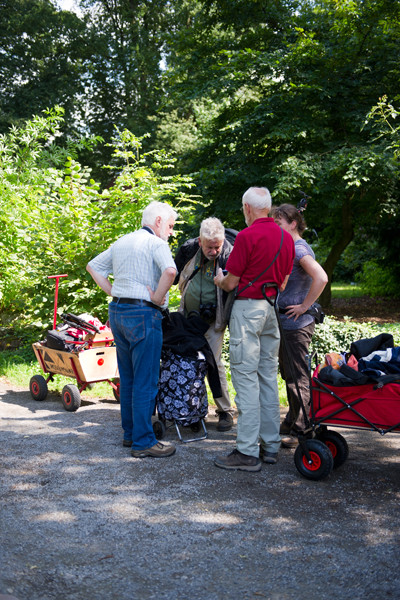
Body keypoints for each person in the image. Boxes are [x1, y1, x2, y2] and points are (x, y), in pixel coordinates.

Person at [86, 201, 178, 459]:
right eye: (170, 226)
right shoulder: (157, 244)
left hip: (118, 312)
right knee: (146, 381)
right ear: (158, 221)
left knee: (127, 378)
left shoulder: (122, 241)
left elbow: (93, 266)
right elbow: (171, 271)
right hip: (143, 314)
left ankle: (130, 434)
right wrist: (159, 298)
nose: (170, 232)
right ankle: (144, 441)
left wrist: (112, 291)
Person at [213, 187, 295, 472]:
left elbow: (232, 282)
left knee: (245, 378)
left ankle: (247, 451)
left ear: (248, 208)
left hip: (248, 310)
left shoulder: (247, 236)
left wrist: (219, 279)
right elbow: (283, 283)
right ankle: (270, 445)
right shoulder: (287, 237)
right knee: (267, 378)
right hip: (272, 309)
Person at [272, 203, 328, 447]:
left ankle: (302, 432)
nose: (275, 227)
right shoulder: (290, 247)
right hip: (287, 323)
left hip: (296, 324)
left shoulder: (297, 248)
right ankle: (293, 418)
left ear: (293, 224)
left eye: (279, 223)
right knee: (290, 374)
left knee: (297, 376)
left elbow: (321, 277)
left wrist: (305, 305)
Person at [174, 217, 236, 431]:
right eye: (209, 247)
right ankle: (193, 411)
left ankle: (225, 412)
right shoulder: (189, 250)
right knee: (189, 363)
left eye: (217, 246)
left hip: (214, 320)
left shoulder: (229, 254)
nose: (214, 251)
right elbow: (173, 275)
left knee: (214, 363)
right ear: (200, 241)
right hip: (188, 318)